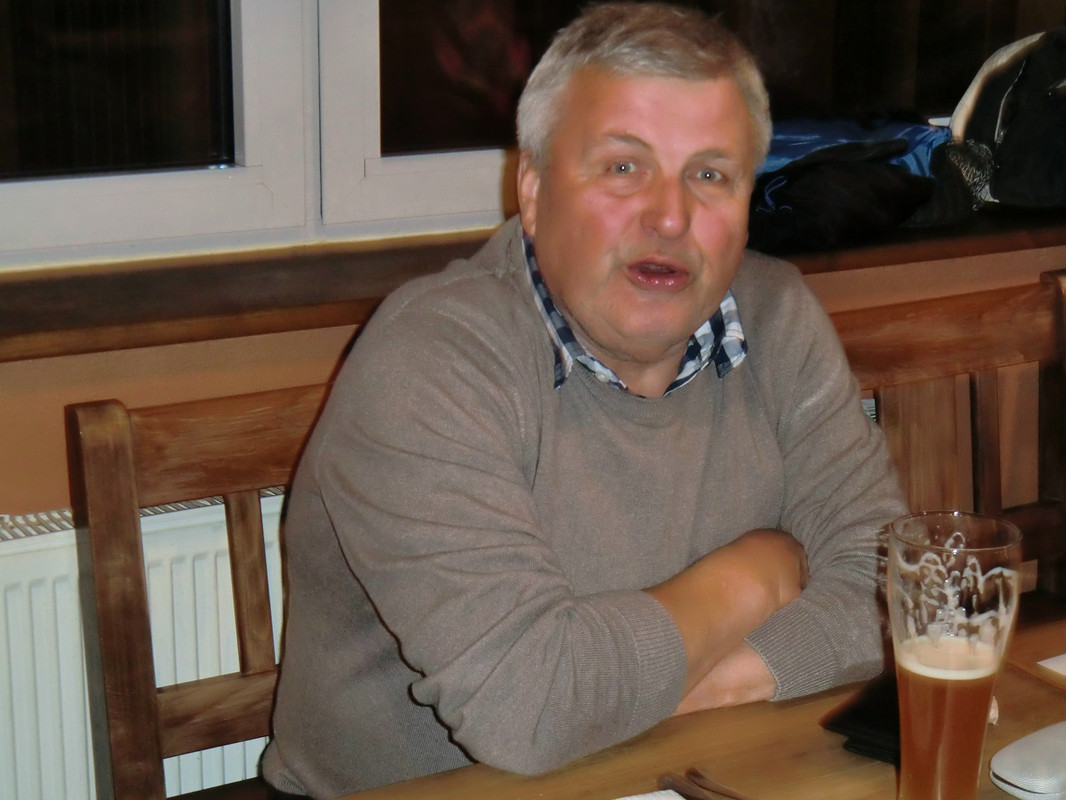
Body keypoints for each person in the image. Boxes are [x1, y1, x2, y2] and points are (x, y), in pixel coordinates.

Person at [262, 3, 907, 797]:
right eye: (623, 168)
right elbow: (530, 710)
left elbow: (890, 596)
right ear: (532, 191)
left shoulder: (776, 317)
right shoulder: (429, 359)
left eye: (710, 175)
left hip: (693, 772)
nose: (670, 216)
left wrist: (686, 691)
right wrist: (757, 577)